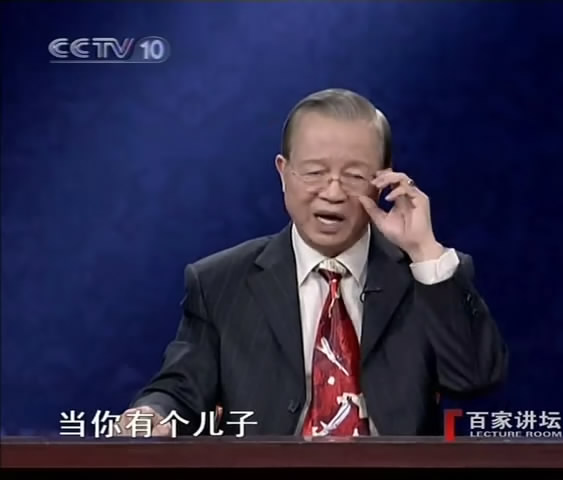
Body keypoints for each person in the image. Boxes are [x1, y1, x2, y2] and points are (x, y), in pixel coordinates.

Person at [118, 88, 508, 438]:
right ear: (283, 172)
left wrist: (423, 251)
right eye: (315, 172)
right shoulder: (220, 282)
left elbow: (474, 378)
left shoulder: (425, 275)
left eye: (355, 175)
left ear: (384, 178)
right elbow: (181, 389)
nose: (333, 192)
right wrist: (153, 414)